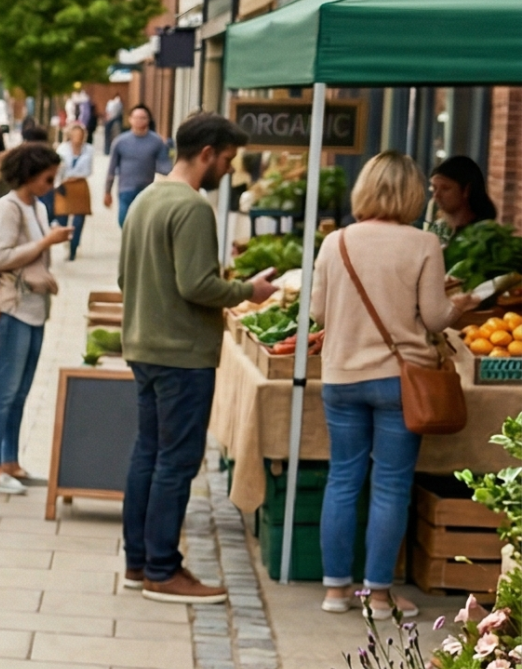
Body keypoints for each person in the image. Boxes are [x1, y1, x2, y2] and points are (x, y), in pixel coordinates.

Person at [120, 113, 278, 602]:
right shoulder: (192, 207)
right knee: (177, 462)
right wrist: (250, 288)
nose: (230, 169)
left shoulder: (146, 198)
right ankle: (163, 569)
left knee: (148, 453)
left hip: (145, 346)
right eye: (228, 159)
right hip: (182, 354)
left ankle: (138, 561)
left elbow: (129, 279)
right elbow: (197, 286)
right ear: (207, 152)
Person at [312, 152, 455, 619]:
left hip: (342, 375)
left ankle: (335, 591)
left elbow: (317, 313)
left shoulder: (336, 241)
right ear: (413, 193)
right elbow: (435, 317)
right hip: (400, 380)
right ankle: (377, 596)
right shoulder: (423, 244)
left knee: (343, 478)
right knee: (391, 485)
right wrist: (462, 302)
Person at [0, 144, 71, 495]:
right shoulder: (9, 207)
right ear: (31, 175)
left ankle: (11, 462)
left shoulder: (38, 207)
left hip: (35, 309)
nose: (52, 183)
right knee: (4, 391)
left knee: (20, 392)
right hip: (13, 308)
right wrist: (47, 240)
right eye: (48, 177)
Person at [105, 103, 170, 226]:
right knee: (124, 221)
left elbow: (165, 165)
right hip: (126, 189)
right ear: (130, 119)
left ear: (148, 120)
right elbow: (112, 169)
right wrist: (107, 191)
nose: (139, 120)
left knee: (144, 224)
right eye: (136, 117)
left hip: (148, 190)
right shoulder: (120, 142)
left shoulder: (156, 141)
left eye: (143, 117)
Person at [54, 122, 97, 260]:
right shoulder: (62, 149)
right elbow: (57, 169)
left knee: (78, 221)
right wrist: (57, 184)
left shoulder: (89, 149)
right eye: (75, 134)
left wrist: (75, 176)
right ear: (70, 135)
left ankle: (74, 246)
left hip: (79, 185)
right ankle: (66, 241)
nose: (78, 137)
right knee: (62, 218)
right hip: (63, 185)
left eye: (80, 134)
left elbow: (89, 170)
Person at [429, 155, 498, 236]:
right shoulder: (438, 228)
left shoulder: (484, 234)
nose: (436, 195)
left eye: (445, 188)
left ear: (466, 190)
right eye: (434, 188)